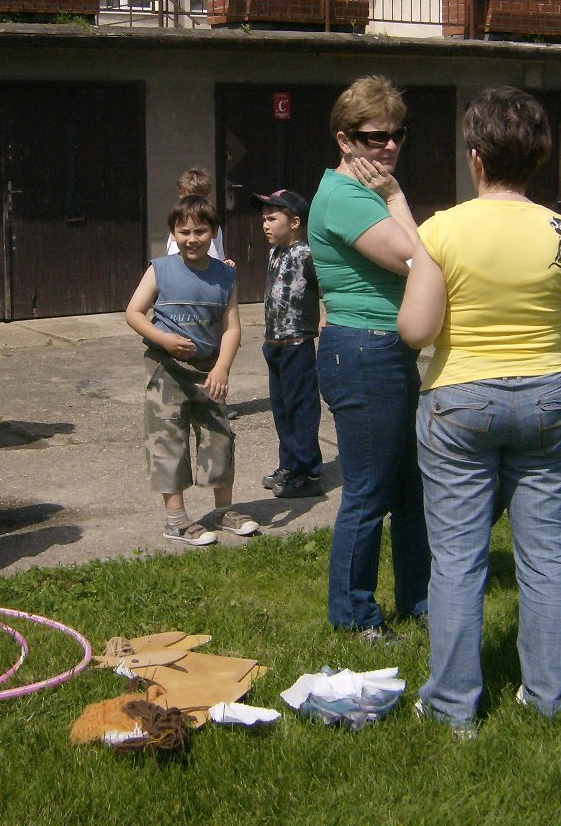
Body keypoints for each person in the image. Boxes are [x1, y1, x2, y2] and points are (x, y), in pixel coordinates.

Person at [398, 85, 561, 735]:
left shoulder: (440, 229)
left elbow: (416, 330)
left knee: (459, 560)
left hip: (460, 403)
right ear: (539, 161)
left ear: (475, 158)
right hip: (548, 398)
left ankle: (451, 706)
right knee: (550, 555)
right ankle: (549, 698)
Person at [308, 75, 430, 639]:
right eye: (375, 136)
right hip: (363, 351)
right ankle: (353, 614)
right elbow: (418, 260)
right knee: (368, 491)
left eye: (397, 135)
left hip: (386, 349)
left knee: (408, 486)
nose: (389, 146)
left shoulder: (363, 194)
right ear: (344, 138)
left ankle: (419, 599)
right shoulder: (345, 197)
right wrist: (397, 196)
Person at [125, 195, 258, 547]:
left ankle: (223, 511)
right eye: (184, 232)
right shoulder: (160, 269)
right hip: (166, 370)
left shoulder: (225, 275)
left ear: (214, 233)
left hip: (208, 370)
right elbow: (134, 313)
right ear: (173, 233)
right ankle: (176, 519)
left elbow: (231, 328)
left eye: (201, 231)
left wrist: (222, 368)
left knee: (219, 436)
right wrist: (164, 340)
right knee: (168, 439)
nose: (192, 238)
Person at [252, 188, 323, 499]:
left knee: (301, 407)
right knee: (281, 407)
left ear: (295, 222)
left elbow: (328, 287)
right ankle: (289, 464)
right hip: (275, 343)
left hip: (297, 343)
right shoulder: (275, 251)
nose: (265, 224)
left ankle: (307, 471)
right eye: (264, 219)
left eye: (272, 218)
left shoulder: (307, 254)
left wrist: (327, 319)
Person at [165, 167, 227, 262]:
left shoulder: (212, 224)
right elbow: (173, 257)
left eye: (200, 231)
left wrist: (223, 265)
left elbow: (218, 254)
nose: (190, 205)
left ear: (208, 198)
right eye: (185, 199)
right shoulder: (179, 224)